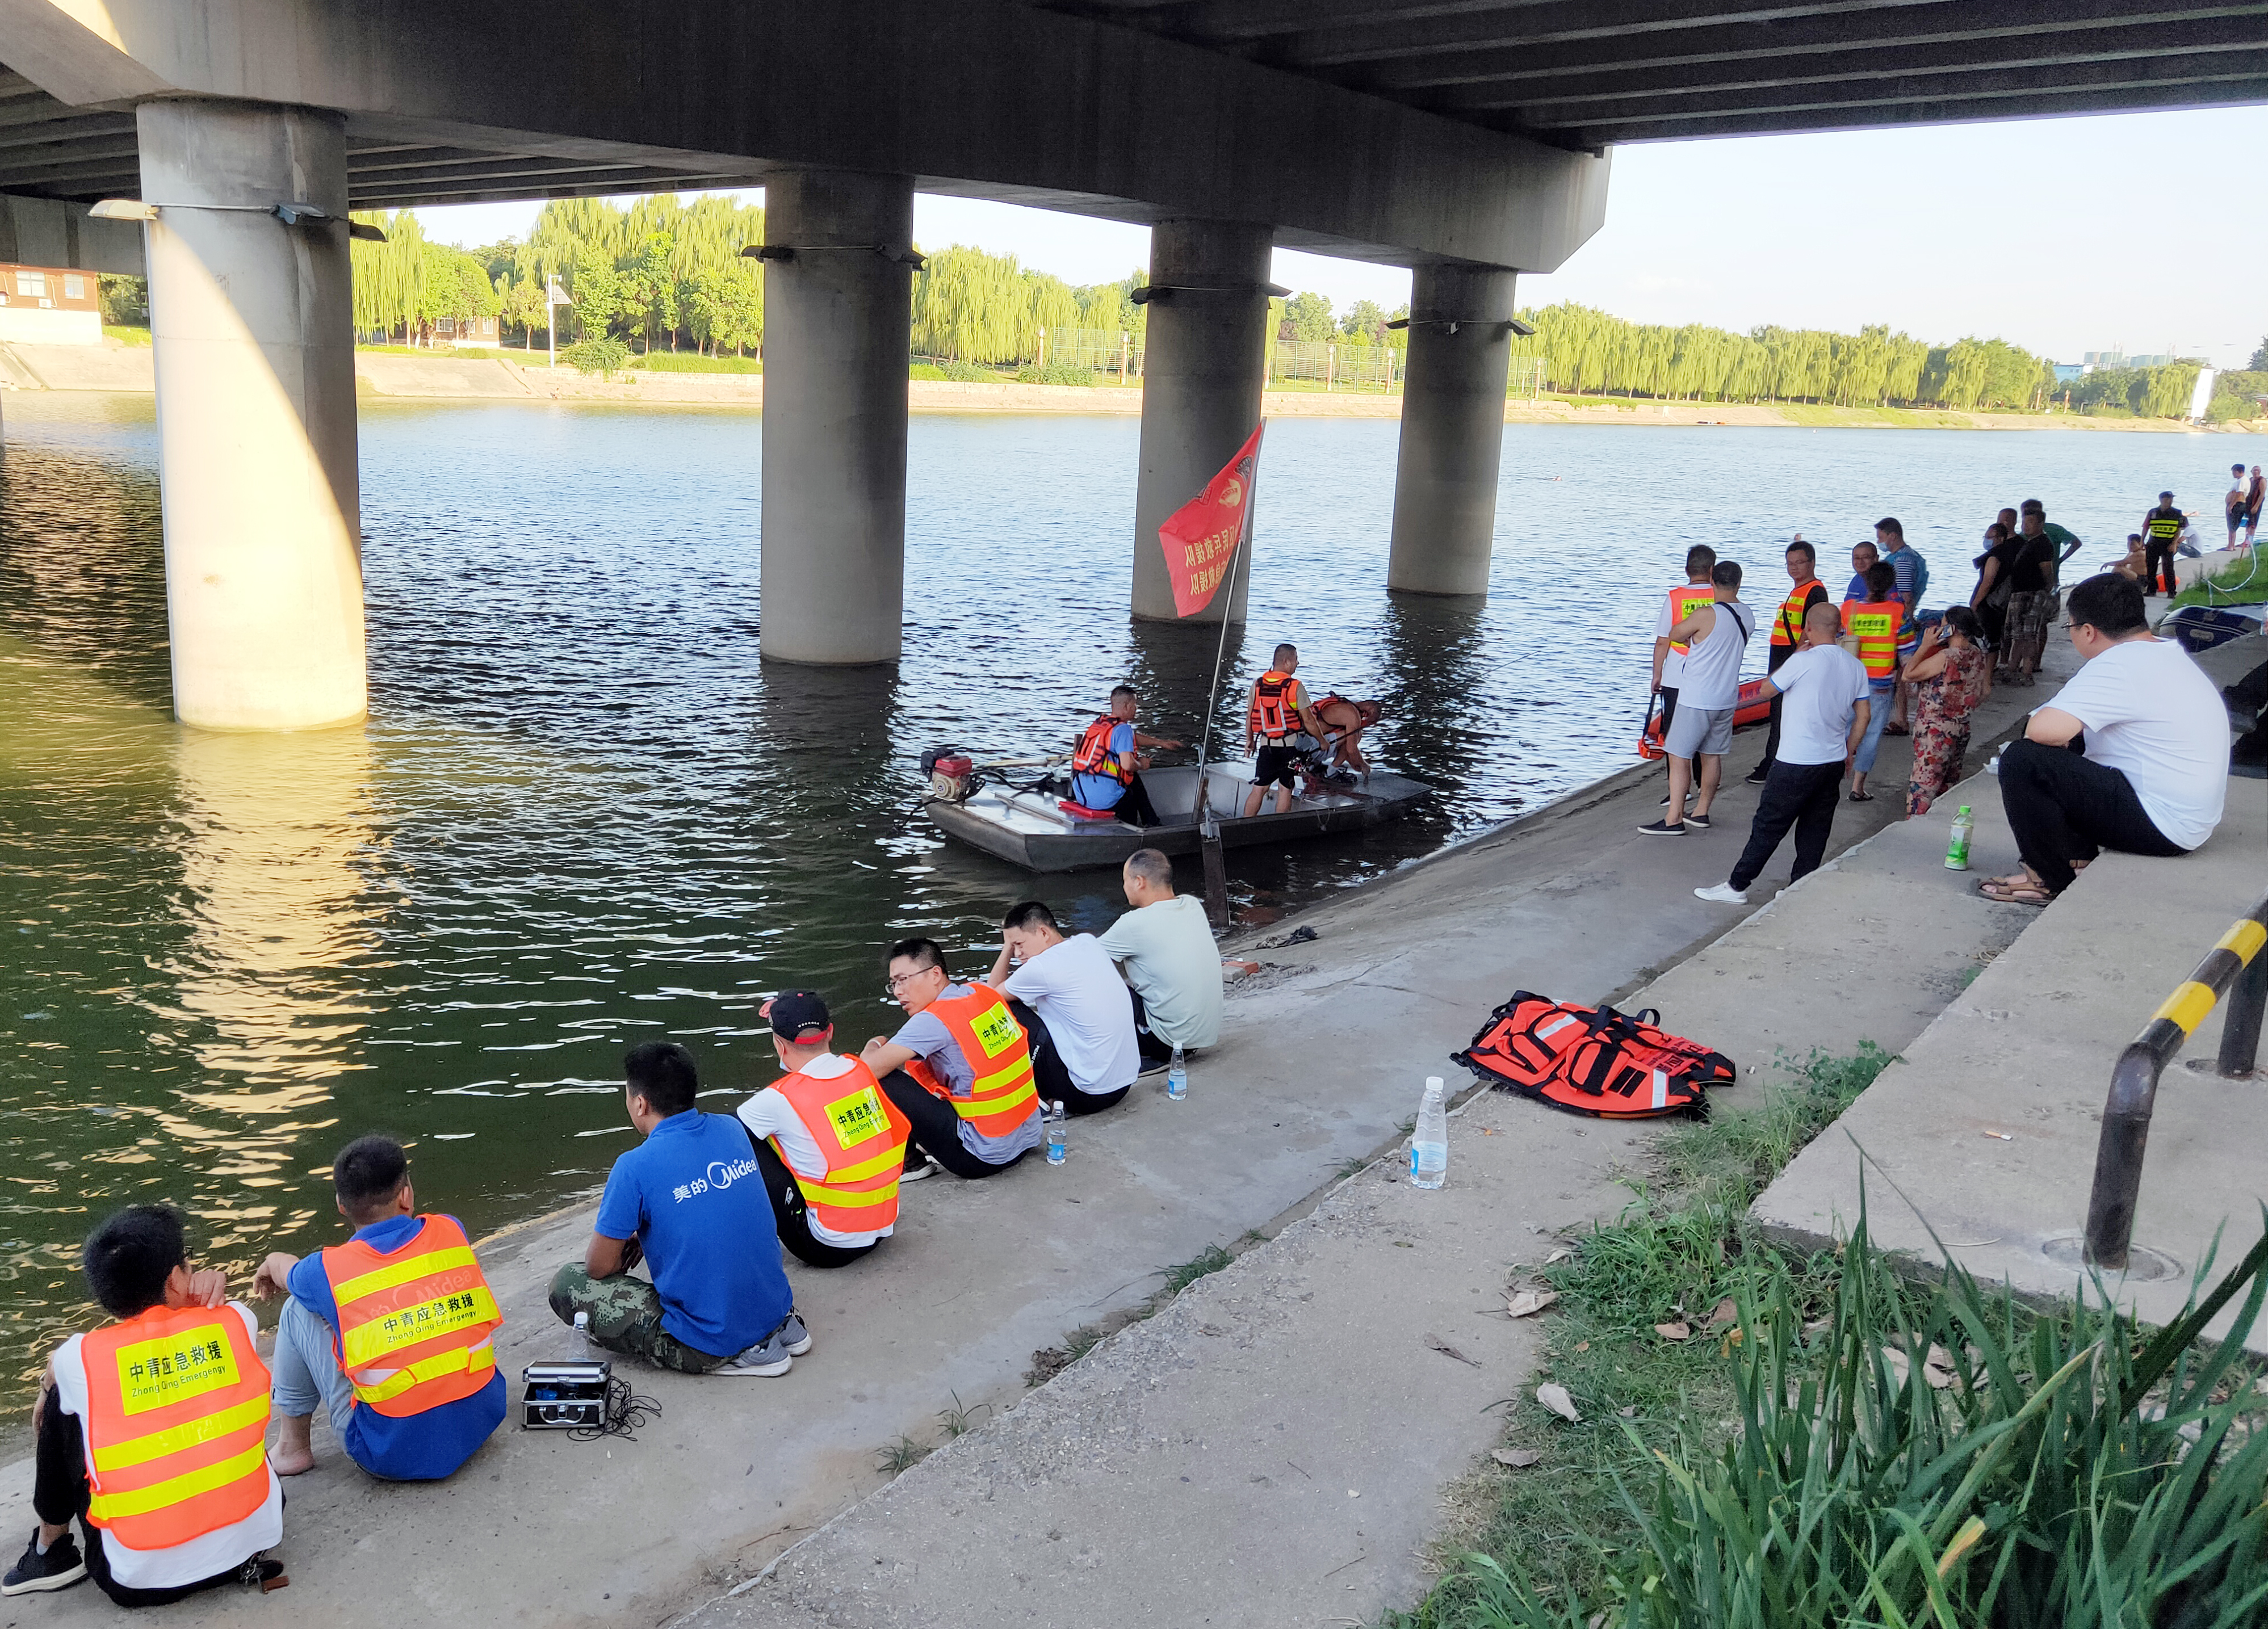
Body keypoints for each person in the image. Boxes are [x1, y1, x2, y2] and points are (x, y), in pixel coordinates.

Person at [6, 1206, 283, 1605]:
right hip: (253, 1544)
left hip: (138, 1582)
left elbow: (62, 1367)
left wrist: (46, 1389)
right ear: (175, 1279)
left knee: (60, 1402)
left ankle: (51, 1550)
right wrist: (195, 1297)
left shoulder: (78, 1359)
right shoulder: (236, 1320)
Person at [249, 1135, 504, 1481]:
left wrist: (272, 1260)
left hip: (390, 1452)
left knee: (297, 1309)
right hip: (481, 1419)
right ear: (406, 1195)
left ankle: (292, 1449)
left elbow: (287, 1274)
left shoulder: (325, 1270)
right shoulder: (451, 1229)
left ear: (341, 1204)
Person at [550, 1042, 805, 1378]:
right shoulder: (732, 1128)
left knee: (568, 1283)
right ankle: (777, 1328)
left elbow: (598, 1268)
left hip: (711, 1338)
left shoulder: (634, 1166)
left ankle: (740, 1352)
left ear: (640, 1103)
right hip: (776, 1305)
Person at [1982, 574, 2230, 906]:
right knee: (2076, 738)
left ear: (2087, 630)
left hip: (2162, 825)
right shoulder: (2164, 653)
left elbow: (2039, 730)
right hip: (2187, 818)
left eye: (2069, 628)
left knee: (2023, 759)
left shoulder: (2119, 664)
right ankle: (2077, 857)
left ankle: (2048, 878)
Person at [1693, 602, 1871, 905]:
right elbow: (1863, 716)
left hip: (1795, 760)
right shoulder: (1855, 665)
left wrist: (1795, 655)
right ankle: (1800, 886)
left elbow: (1766, 690)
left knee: (1769, 825)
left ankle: (1737, 886)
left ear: (1809, 629)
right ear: (1840, 628)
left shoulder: (1802, 662)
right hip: (1831, 761)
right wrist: (1849, 750)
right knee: (1816, 828)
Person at [737, 990, 912, 1269]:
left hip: (829, 1247)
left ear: (779, 1044)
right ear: (830, 1032)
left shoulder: (779, 1097)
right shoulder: (859, 1070)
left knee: (741, 1140)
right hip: (884, 1223)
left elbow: (719, 1139)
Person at [859, 938, 1043, 1177]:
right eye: (893, 984)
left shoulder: (932, 1020)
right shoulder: (981, 993)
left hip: (982, 1157)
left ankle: (911, 1162)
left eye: (903, 980)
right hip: (1026, 1136)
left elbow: (866, 1070)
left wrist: (873, 1043)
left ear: (935, 974)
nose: (898, 992)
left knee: (882, 1079)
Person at [986, 900, 1143, 1107]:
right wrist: (1013, 939)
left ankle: (1045, 1098)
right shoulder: (1088, 942)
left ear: (1043, 933)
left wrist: (1006, 946)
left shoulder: (1040, 967)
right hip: (1124, 1085)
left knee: (1004, 1007)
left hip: (1087, 1095)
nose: (1016, 954)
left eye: (1019, 944)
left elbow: (989, 995)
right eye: (1013, 947)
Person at [1640, 559, 1750, 836]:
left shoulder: (1706, 615)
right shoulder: (1747, 614)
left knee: (1678, 755)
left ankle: (1673, 818)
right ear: (1739, 582)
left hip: (1698, 696)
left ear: (1712, 580)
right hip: (1727, 697)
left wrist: (1691, 636)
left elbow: (1675, 634)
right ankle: (1701, 812)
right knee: (1712, 755)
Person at [1098, 848, 1223, 1066]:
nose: (1123, 887)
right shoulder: (1192, 905)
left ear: (1139, 882)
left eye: (1125, 880)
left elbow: (1081, 960)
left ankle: (1134, 1058)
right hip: (1201, 1035)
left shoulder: (1134, 923)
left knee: (1104, 988)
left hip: (1166, 1042)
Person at [1747, 539, 1831, 786]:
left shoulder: (1814, 591)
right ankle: (1773, 760)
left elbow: (1810, 629)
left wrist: (1796, 661)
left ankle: (1772, 763)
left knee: (1781, 712)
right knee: (1779, 711)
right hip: (1783, 657)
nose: (1794, 568)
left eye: (1799, 563)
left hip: (1791, 659)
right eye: (1790, 564)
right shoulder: (1798, 590)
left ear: (1812, 563)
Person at [1903, 607, 1993, 817]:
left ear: (1952, 629)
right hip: (1960, 728)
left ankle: (1914, 827)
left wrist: (1925, 646)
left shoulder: (1946, 657)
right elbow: (1984, 691)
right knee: (1947, 784)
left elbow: (1909, 675)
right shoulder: (1977, 655)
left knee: (1923, 787)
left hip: (1934, 731)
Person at [1650, 545, 1718, 803]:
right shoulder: (1719, 595)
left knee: (1674, 733)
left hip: (1677, 674)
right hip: (1709, 673)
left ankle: (1679, 790)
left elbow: (1662, 641)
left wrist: (1657, 674)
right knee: (1705, 732)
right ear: (1712, 570)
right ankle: (1704, 785)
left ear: (1687, 569)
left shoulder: (1675, 597)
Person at [1070, 686, 1180, 826]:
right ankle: (1137, 829)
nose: (1136, 708)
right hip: (1103, 801)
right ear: (1128, 706)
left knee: (1131, 777)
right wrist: (1142, 764)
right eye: (1135, 704)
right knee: (1131, 785)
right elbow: (1128, 764)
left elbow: (1131, 739)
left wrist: (1161, 743)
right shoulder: (1123, 729)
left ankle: (1152, 822)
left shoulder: (1102, 724)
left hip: (1082, 794)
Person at [1841, 561, 1903, 803]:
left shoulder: (1849, 609)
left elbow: (1838, 638)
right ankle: (1857, 787)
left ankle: (1833, 774)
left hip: (1849, 681)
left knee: (1843, 728)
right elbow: (1907, 653)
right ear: (1891, 585)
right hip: (1880, 684)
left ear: (1866, 583)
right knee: (1872, 733)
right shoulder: (1897, 612)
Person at [1243, 645, 1323, 817]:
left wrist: (1249, 741)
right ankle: (1279, 825)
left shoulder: (1257, 685)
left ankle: (1244, 824)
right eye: (1296, 659)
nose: (1298, 663)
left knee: (1260, 788)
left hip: (1267, 747)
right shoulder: (1295, 687)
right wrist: (1322, 741)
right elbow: (1309, 720)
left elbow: (1249, 717)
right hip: (1292, 749)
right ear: (1287, 662)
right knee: (1286, 787)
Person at [1997, 502, 2064, 685]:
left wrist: (2046, 589)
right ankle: (2012, 668)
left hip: (2032, 595)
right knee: (2018, 635)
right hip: (2020, 593)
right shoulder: (2030, 542)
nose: (2025, 527)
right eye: (2024, 523)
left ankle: (2026, 671)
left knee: (2028, 635)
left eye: (2030, 523)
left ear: (2040, 524)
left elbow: (2047, 571)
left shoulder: (2042, 544)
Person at [1875, 518, 1927, 732]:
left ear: (1892, 536)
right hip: (1897, 619)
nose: (1879, 541)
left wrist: (1905, 623)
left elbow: (1906, 596)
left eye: (1881, 537)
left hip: (1896, 622)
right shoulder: (1908, 556)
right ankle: (1899, 719)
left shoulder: (1902, 561)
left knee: (1898, 673)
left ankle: (1901, 719)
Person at [1969, 520, 2021, 652]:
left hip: (1990, 604)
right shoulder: (2007, 553)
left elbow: (1988, 582)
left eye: (1990, 538)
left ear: (2001, 538)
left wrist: (1975, 603)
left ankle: (1985, 670)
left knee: (1987, 639)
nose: (1986, 540)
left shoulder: (1995, 556)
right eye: (1985, 537)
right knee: (1994, 640)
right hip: (1999, 603)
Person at [1306, 693, 1382, 777]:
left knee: (1350, 737)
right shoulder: (1353, 715)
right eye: (1371, 722)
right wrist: (1364, 766)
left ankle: (1315, 764)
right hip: (1309, 749)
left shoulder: (1344, 704)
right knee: (1357, 735)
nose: (1368, 725)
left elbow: (1348, 753)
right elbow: (1351, 750)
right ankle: (1331, 772)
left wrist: (1357, 765)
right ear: (1366, 714)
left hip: (1303, 742)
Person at [2141, 491, 2185, 597]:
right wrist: (2142, 541)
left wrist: (2174, 543)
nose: (2170, 501)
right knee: (2151, 567)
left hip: (2168, 543)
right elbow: (2146, 527)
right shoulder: (2153, 512)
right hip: (2154, 542)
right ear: (2161, 500)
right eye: (2167, 499)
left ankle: (2171, 592)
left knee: (2168, 568)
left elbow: (2180, 529)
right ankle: (2151, 590)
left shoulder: (2178, 513)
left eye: (2171, 499)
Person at [1842, 539, 1879, 603]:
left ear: (1876, 559)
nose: (1860, 562)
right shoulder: (1857, 579)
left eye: (1865, 557)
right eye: (1857, 558)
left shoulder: (1883, 582)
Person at [2229, 463, 2251, 549]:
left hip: (2238, 505)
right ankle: (2231, 545)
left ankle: (2231, 546)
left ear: (2238, 471)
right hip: (2237, 504)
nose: (2233, 474)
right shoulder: (2240, 480)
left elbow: (2239, 494)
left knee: (2233, 525)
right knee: (2231, 525)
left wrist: (2231, 505)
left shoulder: (2243, 480)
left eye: (2234, 472)